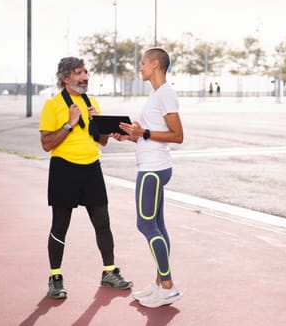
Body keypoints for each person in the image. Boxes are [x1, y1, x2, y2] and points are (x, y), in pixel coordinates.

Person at [39, 57, 133, 299]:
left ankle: (109, 271)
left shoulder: (92, 102)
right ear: (65, 78)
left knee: (103, 222)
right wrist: (69, 125)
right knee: (60, 225)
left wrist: (101, 128)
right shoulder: (53, 105)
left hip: (92, 168)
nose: (85, 77)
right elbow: (46, 144)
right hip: (64, 169)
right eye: (79, 73)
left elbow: (101, 141)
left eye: (86, 72)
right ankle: (55, 277)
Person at [112, 48, 184, 308]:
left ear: (155, 64)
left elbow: (177, 135)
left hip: (153, 170)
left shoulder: (166, 94)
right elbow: (149, 134)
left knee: (145, 225)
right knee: (158, 226)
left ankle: (168, 286)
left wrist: (143, 132)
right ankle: (158, 283)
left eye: (142, 63)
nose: (140, 67)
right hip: (152, 165)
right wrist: (131, 135)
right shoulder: (157, 95)